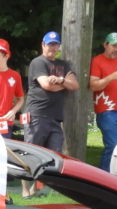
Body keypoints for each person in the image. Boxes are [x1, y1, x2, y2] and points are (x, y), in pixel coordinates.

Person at [23, 31, 77, 195]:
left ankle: (37, 190)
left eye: (55, 44)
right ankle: (25, 191)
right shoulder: (38, 62)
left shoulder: (64, 64)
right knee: (30, 153)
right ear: (43, 45)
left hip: (55, 117)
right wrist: (64, 84)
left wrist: (60, 80)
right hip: (36, 115)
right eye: (50, 44)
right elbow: (46, 85)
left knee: (52, 155)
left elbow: (75, 85)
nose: (53, 48)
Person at [89, 31, 117, 171]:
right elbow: (93, 85)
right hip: (107, 110)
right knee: (113, 145)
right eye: (114, 46)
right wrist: (111, 77)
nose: (116, 49)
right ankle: (103, 178)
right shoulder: (97, 61)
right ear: (105, 45)